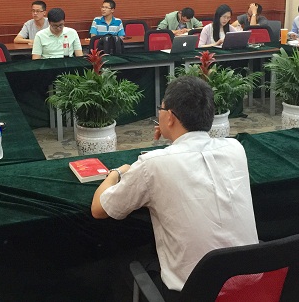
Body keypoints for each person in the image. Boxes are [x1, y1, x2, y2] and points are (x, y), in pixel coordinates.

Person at [91, 76, 258, 299]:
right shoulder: (235, 148)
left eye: (161, 110)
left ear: (170, 117)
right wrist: (173, 138)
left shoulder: (152, 164)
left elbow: (99, 209)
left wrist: (117, 173)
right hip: (251, 287)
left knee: (119, 264)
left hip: (193, 294)